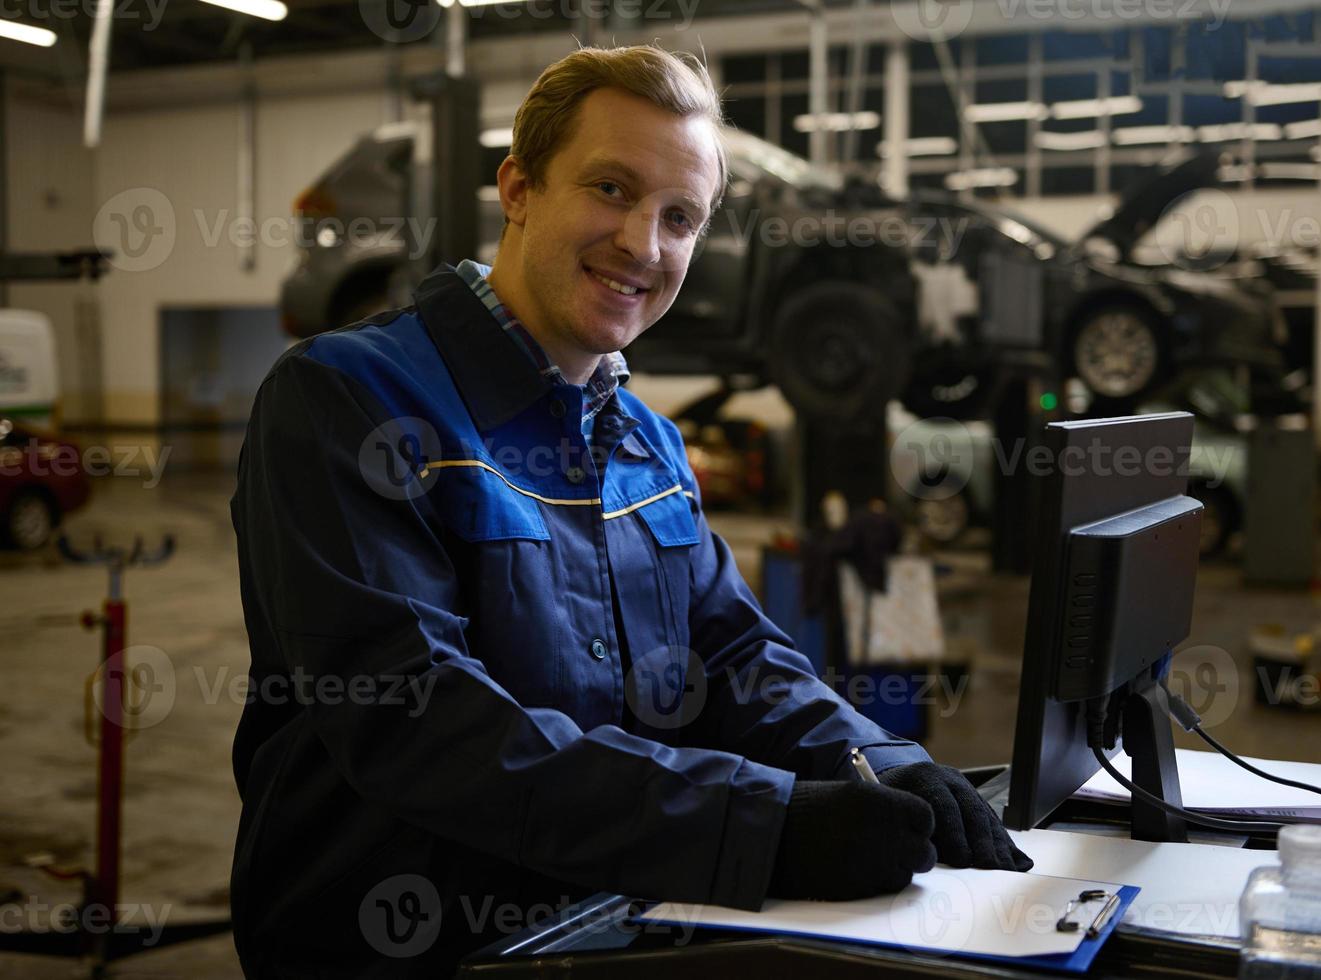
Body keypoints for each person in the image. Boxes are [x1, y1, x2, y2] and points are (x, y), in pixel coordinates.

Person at [229, 43, 1030, 978]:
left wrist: (877, 760)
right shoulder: (348, 401)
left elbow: (730, 654)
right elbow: (420, 722)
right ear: (519, 188)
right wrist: (759, 826)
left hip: (606, 919)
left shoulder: (644, 439)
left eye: (679, 216)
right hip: (404, 943)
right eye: (610, 190)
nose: (643, 245)